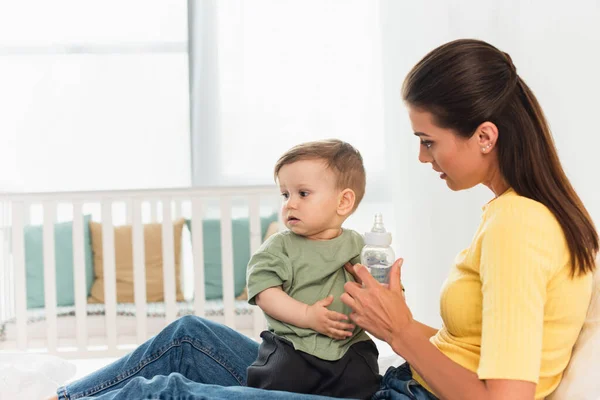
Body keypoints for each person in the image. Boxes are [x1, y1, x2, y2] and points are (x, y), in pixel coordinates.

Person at [50, 39, 598, 400]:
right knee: (190, 337)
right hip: (396, 384)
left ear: (484, 135)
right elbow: (475, 352)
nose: (423, 159)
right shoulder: (517, 216)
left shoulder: (518, 226)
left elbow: (505, 399)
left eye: (429, 142)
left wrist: (401, 332)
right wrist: (396, 322)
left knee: (164, 392)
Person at [245, 140, 380, 398]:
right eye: (285, 194)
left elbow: (376, 284)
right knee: (277, 376)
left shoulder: (358, 246)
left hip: (349, 345)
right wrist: (307, 315)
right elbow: (265, 292)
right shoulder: (280, 247)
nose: (290, 204)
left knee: (364, 376)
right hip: (294, 344)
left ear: (343, 202)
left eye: (303, 194)